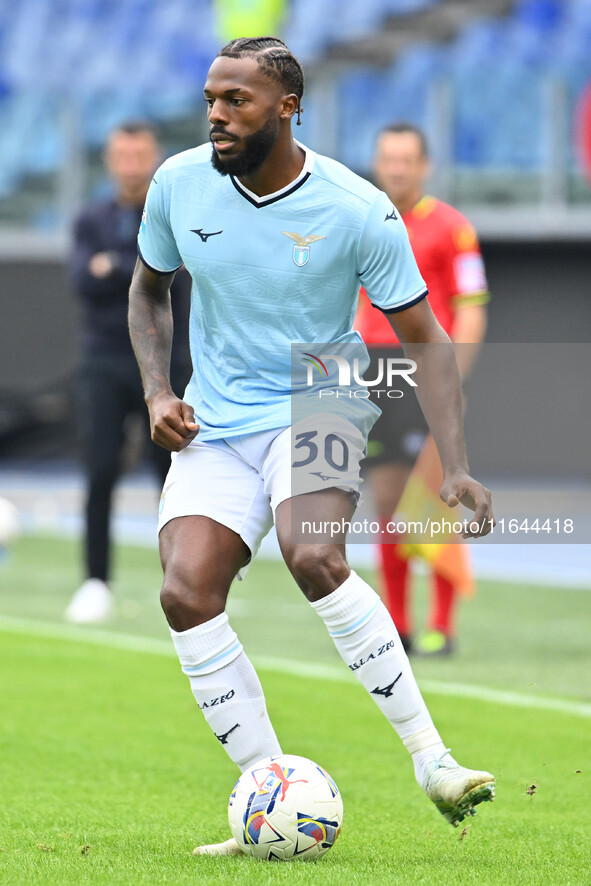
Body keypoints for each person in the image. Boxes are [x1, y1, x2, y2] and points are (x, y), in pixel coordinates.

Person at [128, 37, 496, 856]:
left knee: (313, 555)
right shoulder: (179, 183)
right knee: (185, 592)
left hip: (322, 389)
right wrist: (158, 390)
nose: (216, 117)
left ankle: (433, 761)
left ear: (287, 106)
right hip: (216, 412)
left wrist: (457, 462)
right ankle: (268, 793)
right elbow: (149, 287)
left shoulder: (358, 208)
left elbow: (426, 339)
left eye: (237, 102)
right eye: (211, 101)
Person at [355, 123, 489, 657]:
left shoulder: (453, 229)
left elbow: (471, 311)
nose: (397, 168)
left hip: (423, 373)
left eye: (407, 159)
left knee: (436, 498)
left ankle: (442, 624)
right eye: (388, 158)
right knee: (385, 502)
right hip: (372, 373)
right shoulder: (363, 223)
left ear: (425, 165)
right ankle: (397, 623)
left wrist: (452, 383)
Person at [65, 123, 191, 624]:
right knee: (98, 471)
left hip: (165, 360)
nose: (132, 163)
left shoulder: (169, 212)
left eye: (141, 153)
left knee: (174, 476)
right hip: (103, 360)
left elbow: (174, 281)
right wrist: (135, 268)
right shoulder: (91, 218)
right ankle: (95, 581)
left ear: (154, 156)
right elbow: (82, 281)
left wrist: (112, 268)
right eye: (123, 153)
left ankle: (181, 578)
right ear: (109, 159)